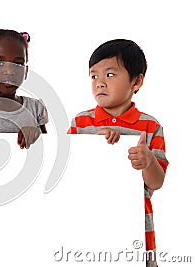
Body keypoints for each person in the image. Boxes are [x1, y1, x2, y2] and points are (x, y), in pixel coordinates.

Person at [68, 39, 168, 267]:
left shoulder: (150, 126)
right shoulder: (80, 123)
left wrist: (148, 160)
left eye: (110, 75)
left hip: (134, 228)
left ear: (137, 81)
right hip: (85, 225)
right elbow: (67, 174)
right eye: (94, 76)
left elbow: (157, 183)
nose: (99, 83)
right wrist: (94, 144)